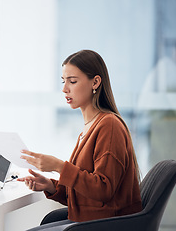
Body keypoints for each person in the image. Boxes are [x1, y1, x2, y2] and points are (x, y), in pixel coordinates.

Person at [18, 50, 142, 230]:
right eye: (63, 81)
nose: (64, 88)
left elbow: (103, 190)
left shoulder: (109, 126)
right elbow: (86, 193)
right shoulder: (91, 126)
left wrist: (59, 166)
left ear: (95, 82)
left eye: (72, 81)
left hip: (107, 225)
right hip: (90, 221)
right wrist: (52, 187)